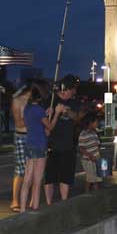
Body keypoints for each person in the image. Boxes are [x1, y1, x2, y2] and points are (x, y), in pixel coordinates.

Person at [20, 86, 61, 213]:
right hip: (40, 145)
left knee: (27, 179)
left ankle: (22, 209)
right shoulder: (39, 109)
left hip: (29, 144)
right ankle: (35, 207)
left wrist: (46, 113)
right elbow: (50, 127)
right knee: (37, 180)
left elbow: (34, 124)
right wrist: (56, 113)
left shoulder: (27, 109)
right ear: (39, 97)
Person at [44, 75, 81, 204]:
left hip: (68, 145)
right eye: (73, 89)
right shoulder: (51, 99)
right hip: (52, 145)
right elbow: (43, 118)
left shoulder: (73, 102)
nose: (75, 92)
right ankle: (49, 203)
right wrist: (51, 112)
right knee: (49, 177)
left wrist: (66, 111)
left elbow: (77, 118)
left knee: (65, 177)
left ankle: (64, 201)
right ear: (67, 89)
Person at [10, 84, 30, 212]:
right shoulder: (17, 101)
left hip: (33, 135)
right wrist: (35, 117)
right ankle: (15, 200)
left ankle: (29, 199)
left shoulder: (35, 102)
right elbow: (18, 122)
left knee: (33, 170)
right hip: (21, 136)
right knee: (21, 170)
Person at [79, 112, 103, 192]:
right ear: (91, 122)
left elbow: (97, 146)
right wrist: (90, 156)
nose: (97, 123)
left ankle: (96, 195)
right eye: (96, 122)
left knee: (96, 178)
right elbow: (81, 148)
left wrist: (99, 156)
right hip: (88, 160)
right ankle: (87, 194)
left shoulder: (95, 133)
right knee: (90, 179)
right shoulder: (83, 133)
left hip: (96, 159)